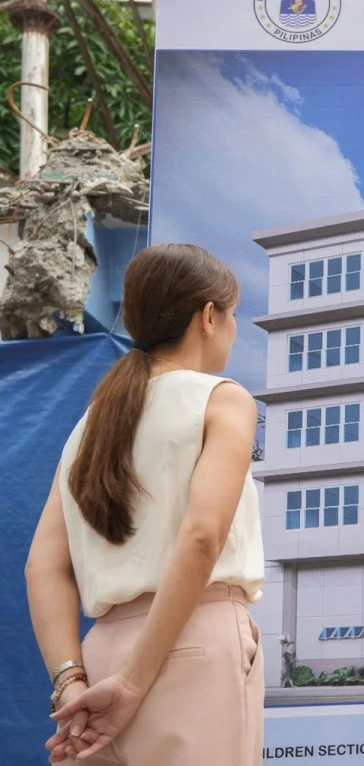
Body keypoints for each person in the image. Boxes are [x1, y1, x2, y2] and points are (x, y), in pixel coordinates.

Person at [26, 243, 265, 764]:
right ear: (208, 317)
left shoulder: (89, 426)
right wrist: (134, 680)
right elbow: (204, 535)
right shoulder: (222, 398)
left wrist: (70, 680)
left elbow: (41, 566)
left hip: (97, 659)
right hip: (192, 644)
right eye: (232, 315)